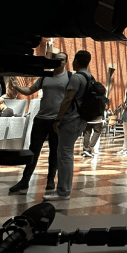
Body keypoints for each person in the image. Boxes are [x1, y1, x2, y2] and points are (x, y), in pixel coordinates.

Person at [9, 52, 70, 193]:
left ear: (66, 62)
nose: (58, 62)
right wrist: (17, 87)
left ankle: (50, 180)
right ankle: (25, 181)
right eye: (56, 59)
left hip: (57, 120)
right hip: (41, 119)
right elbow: (30, 90)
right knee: (33, 151)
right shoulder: (45, 76)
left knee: (54, 152)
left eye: (61, 60)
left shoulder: (69, 78)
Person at [43, 50, 92, 201]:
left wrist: (58, 119)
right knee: (67, 154)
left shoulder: (76, 77)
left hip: (70, 120)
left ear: (76, 61)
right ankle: (64, 190)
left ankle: (63, 191)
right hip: (82, 121)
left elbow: (67, 99)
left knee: (64, 155)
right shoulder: (90, 77)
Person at [81, 83, 108, 158]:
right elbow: (106, 107)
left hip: (88, 119)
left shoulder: (88, 97)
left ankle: (85, 149)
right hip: (98, 119)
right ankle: (89, 149)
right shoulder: (104, 98)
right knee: (96, 133)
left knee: (87, 133)